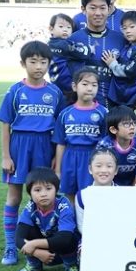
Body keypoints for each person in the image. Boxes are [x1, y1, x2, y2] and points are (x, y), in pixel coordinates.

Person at [0, 41, 65, 266]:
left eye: (43, 62)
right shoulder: (15, 91)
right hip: (20, 146)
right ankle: (10, 245)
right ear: (23, 63)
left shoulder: (54, 92)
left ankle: (44, 241)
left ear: (49, 64)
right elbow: (5, 125)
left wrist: (56, 156)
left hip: (45, 145)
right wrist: (6, 156)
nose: (38, 66)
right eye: (33, 61)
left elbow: (60, 127)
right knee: (14, 197)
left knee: (44, 196)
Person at [52, 68, 107, 202]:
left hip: (92, 157)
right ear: (74, 86)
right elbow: (61, 144)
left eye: (94, 85)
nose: (90, 88)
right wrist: (58, 170)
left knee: (89, 195)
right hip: (70, 157)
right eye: (85, 84)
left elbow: (107, 142)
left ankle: (88, 217)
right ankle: (72, 217)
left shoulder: (103, 113)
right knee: (70, 194)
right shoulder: (65, 113)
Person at [14, 168, 79, 271]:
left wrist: (34, 244)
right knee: (27, 231)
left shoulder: (63, 205)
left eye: (48, 188)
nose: (43, 194)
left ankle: (71, 265)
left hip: (62, 247)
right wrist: (37, 253)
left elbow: (65, 238)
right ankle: (34, 265)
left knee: (70, 236)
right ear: (30, 193)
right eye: (37, 190)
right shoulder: (30, 207)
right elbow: (18, 238)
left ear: (56, 190)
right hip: (43, 249)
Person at [68, 0, 126, 108]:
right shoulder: (73, 40)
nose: (98, 13)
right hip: (81, 107)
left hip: (113, 108)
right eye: (93, 8)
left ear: (109, 9)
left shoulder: (120, 40)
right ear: (83, 9)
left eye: (102, 8)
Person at [103, 10, 136, 110]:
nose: (127, 31)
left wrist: (112, 64)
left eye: (132, 27)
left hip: (132, 97)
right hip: (122, 94)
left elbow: (130, 70)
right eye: (124, 28)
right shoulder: (129, 45)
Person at [96, 106, 136, 186]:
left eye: (134, 123)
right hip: (109, 185)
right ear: (113, 129)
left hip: (132, 187)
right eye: (126, 124)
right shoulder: (104, 146)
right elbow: (101, 173)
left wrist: (133, 191)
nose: (132, 127)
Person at [48, 13, 92, 99]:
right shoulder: (63, 44)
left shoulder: (49, 44)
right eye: (61, 26)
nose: (65, 30)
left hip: (55, 80)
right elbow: (81, 53)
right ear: (51, 29)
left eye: (68, 27)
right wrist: (89, 49)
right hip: (67, 81)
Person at [75, 148, 118, 234]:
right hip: (90, 237)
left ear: (116, 170)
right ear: (90, 169)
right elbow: (81, 226)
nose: (103, 170)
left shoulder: (124, 194)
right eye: (98, 166)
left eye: (109, 166)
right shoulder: (82, 195)